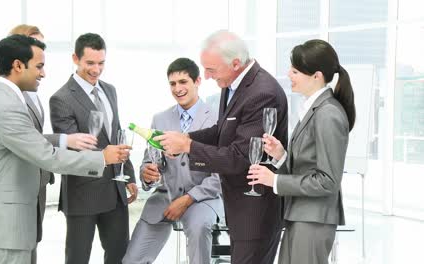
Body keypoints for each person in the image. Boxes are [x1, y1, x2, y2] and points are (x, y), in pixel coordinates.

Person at [0, 34, 130, 264]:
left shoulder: (1, 98)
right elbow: (47, 156)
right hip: (9, 222)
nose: (43, 73)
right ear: (18, 65)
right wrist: (102, 158)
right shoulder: (5, 106)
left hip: (15, 219)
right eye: (39, 66)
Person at [155, 30, 289, 263]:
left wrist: (188, 146)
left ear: (235, 63)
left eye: (211, 70)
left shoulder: (263, 92)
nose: (205, 76)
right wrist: (183, 139)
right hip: (238, 206)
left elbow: (239, 156)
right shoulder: (232, 83)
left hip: (256, 210)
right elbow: (221, 131)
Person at [247, 39, 356, 264]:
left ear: (316, 76)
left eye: (295, 71)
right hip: (301, 215)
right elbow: (309, 166)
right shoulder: (314, 109)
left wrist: (275, 181)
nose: (289, 75)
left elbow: (327, 181)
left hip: (313, 220)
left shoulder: (328, 114)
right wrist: (282, 156)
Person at [122, 58, 224, 264]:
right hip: (163, 199)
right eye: (172, 83)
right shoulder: (160, 119)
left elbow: (221, 175)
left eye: (183, 82)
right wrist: (147, 174)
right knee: (131, 261)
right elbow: (149, 161)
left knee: (199, 227)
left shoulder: (217, 119)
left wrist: (187, 199)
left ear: (197, 81)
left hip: (204, 198)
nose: (177, 88)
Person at [49, 33, 138, 264]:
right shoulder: (61, 99)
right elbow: (71, 153)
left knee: (119, 255)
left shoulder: (110, 90)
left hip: (115, 191)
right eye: (90, 63)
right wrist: (104, 157)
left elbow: (116, 135)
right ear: (75, 58)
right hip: (83, 193)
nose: (96, 70)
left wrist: (128, 175)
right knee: (78, 258)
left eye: (101, 63)